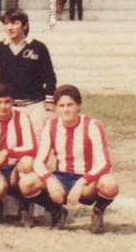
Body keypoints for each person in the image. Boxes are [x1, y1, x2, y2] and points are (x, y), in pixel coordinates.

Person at [34, 85, 119, 234]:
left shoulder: (92, 125)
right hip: (61, 178)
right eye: (61, 106)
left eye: (70, 105)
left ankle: (98, 212)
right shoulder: (51, 126)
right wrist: (49, 180)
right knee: (27, 182)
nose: (66, 110)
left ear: (78, 106)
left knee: (109, 184)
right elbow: (38, 161)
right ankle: (57, 211)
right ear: (55, 108)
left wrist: (82, 182)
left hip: (87, 183)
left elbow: (104, 163)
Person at [0, 85, 43, 224]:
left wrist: (7, 152)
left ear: (12, 102)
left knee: (28, 162)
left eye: (7, 102)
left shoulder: (21, 117)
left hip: (15, 170)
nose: (3, 107)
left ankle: (25, 205)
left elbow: (33, 148)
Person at [0, 10, 56, 133]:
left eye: (15, 23)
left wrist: (49, 104)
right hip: (9, 107)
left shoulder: (38, 47)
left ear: (24, 25)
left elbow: (50, 77)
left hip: (35, 106)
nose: (10, 27)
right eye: (6, 23)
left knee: (36, 139)